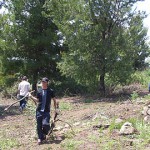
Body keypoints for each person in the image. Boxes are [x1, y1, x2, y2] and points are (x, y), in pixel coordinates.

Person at [29, 77, 57, 145]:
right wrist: (31, 96)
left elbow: (54, 100)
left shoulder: (50, 91)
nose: (43, 83)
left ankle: (44, 134)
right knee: (39, 125)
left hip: (46, 111)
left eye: (44, 82)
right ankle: (40, 138)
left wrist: (55, 108)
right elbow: (38, 100)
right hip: (39, 111)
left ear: (47, 82)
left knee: (45, 124)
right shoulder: (39, 91)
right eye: (42, 82)